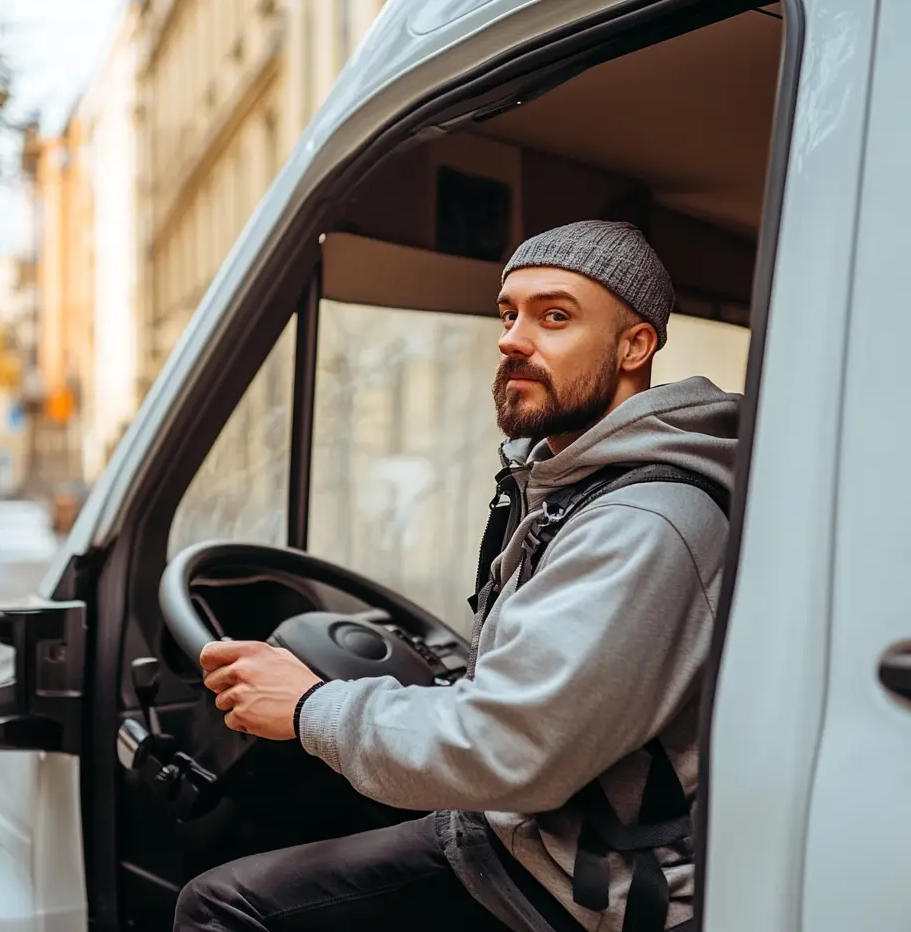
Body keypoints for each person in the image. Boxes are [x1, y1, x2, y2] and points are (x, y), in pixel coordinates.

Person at [176, 220, 739, 932]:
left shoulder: (646, 520)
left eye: (554, 316)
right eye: (509, 314)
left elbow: (510, 745)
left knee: (223, 907)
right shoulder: (568, 485)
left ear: (636, 345)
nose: (512, 338)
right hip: (541, 834)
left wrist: (309, 706)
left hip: (591, 886)